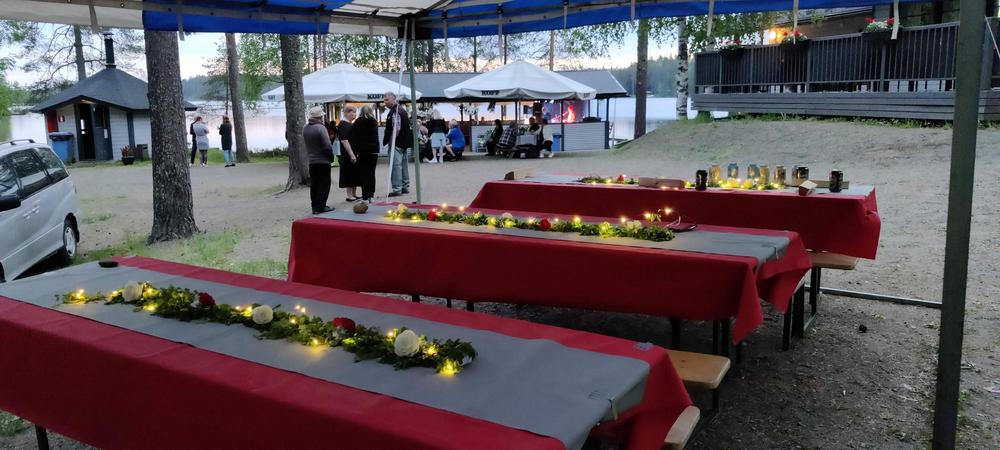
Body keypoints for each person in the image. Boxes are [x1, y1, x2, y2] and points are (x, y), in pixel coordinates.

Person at [303, 106, 335, 214]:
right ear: (320, 117)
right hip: (323, 160)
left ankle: (314, 206)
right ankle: (321, 206)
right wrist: (331, 157)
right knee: (324, 184)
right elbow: (327, 145)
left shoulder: (305, 128)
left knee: (315, 185)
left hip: (312, 161)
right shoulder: (321, 128)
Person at [382, 92, 412, 197]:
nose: (385, 102)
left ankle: (397, 188)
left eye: (387, 100)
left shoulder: (395, 111)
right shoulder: (402, 110)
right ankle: (405, 186)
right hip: (404, 142)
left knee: (396, 166)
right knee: (403, 166)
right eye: (384, 100)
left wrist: (391, 142)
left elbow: (396, 129)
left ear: (393, 99)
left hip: (397, 143)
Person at [351, 105, 380, 203]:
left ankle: (365, 197)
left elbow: (353, 137)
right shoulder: (374, 121)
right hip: (374, 151)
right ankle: (371, 195)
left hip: (363, 151)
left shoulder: (358, 122)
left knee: (364, 174)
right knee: (371, 173)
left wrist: (355, 151)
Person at [337, 105, 360, 202]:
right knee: (349, 173)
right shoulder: (343, 124)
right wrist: (351, 154)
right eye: (353, 112)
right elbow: (344, 140)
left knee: (354, 173)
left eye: (355, 112)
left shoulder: (350, 124)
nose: (355, 114)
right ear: (347, 113)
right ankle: (349, 195)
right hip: (348, 155)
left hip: (354, 153)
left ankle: (354, 194)